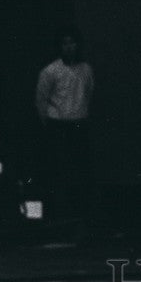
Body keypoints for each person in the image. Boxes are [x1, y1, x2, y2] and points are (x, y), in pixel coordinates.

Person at [35, 25, 94, 225]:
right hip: (58, 125)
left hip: (78, 123)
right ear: (59, 46)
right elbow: (41, 100)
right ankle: (60, 213)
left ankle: (80, 212)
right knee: (58, 169)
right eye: (65, 43)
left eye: (72, 43)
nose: (69, 47)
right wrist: (50, 123)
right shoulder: (51, 71)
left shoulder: (86, 69)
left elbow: (88, 93)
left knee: (80, 169)